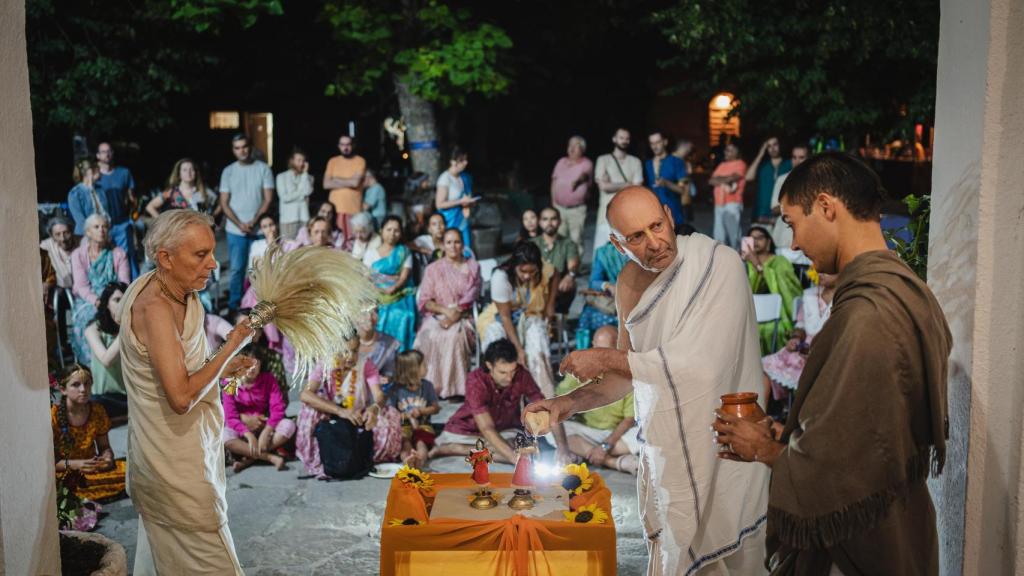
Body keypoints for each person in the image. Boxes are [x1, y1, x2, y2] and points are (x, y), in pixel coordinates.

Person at [712, 152, 952, 575]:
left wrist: (767, 450)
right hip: (900, 519)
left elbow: (846, 468)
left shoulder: (868, 313)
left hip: (861, 539)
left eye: (791, 223)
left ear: (826, 207)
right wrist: (793, 435)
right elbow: (871, 427)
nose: (794, 244)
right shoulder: (908, 291)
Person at [525, 186, 771, 575]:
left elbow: (702, 366)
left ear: (670, 217)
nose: (654, 242)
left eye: (657, 226)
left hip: (727, 450)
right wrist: (565, 404)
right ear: (617, 243)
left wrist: (605, 356)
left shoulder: (718, 264)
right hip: (666, 449)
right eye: (636, 237)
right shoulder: (627, 284)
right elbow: (628, 374)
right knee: (676, 552)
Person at [120, 209, 256, 574]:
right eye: (200, 255)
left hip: (186, 451)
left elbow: (179, 371)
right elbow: (180, 397)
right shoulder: (155, 308)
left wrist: (223, 367)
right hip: (172, 466)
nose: (213, 263)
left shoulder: (178, 290)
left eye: (212, 252)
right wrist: (232, 345)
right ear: (165, 257)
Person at [431, 339, 570, 464]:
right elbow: (486, 428)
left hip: (504, 429)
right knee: (517, 456)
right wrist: (514, 459)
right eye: (503, 372)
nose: (509, 378)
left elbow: (546, 409)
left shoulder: (522, 374)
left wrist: (563, 449)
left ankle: (473, 450)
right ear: (489, 365)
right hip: (467, 431)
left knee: (526, 450)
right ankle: (455, 448)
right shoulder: (476, 380)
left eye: (512, 371)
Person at [297, 335, 402, 477]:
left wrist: (374, 409)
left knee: (391, 415)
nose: (351, 357)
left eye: (354, 351)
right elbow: (305, 395)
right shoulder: (325, 363)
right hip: (331, 414)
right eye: (345, 352)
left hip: (359, 414)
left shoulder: (366, 363)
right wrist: (341, 411)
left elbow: (379, 396)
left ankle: (366, 458)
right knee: (308, 411)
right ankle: (319, 459)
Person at [476, 242, 557, 398]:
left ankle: (542, 397)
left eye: (532, 272)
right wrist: (519, 349)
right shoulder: (501, 277)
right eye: (523, 271)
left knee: (537, 339)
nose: (527, 276)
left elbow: (555, 274)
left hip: (528, 314)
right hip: (499, 318)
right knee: (498, 344)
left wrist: (550, 304)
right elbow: (505, 317)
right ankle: (499, 396)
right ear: (515, 266)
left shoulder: (543, 269)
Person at [555, 326, 639, 474]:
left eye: (606, 353)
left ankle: (588, 454)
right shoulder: (581, 366)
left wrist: (606, 445)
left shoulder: (627, 372)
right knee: (553, 428)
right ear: (592, 346)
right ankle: (613, 462)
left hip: (615, 435)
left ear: (616, 350)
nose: (600, 356)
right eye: (597, 350)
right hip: (587, 431)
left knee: (647, 433)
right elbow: (558, 399)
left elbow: (629, 419)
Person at [414, 228, 481, 399]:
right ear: (443, 246)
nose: (453, 246)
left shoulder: (472, 267)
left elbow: (472, 294)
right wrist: (444, 312)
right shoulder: (433, 269)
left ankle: (453, 389)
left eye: (457, 242)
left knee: (453, 337)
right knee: (428, 336)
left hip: (463, 315)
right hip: (437, 314)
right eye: (449, 242)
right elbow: (425, 300)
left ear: (463, 244)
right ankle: (427, 387)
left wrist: (454, 317)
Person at [761, 272, 836, 414]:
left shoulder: (844, 297)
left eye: (829, 271)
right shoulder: (810, 295)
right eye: (820, 271)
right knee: (764, 366)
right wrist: (795, 338)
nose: (822, 274)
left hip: (826, 352)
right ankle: (760, 419)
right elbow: (800, 326)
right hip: (802, 350)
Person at [51, 364, 126, 501]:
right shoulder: (53, 416)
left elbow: (104, 446)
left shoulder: (97, 410)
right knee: (60, 485)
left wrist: (107, 458)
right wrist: (77, 464)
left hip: (91, 469)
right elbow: (50, 463)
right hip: (65, 471)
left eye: (87, 384)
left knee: (130, 472)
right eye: (76, 385)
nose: (83, 390)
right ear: (63, 390)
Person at [219, 133, 275, 313]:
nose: (241, 150)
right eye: (237, 148)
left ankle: (259, 304)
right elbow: (224, 203)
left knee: (260, 268)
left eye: (244, 146)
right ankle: (235, 306)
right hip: (235, 230)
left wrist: (253, 221)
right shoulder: (228, 171)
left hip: (258, 228)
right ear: (233, 150)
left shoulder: (263, 169)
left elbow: (268, 199)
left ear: (250, 147)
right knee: (237, 269)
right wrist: (240, 223)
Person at [221, 348, 295, 473]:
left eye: (255, 364)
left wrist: (267, 431)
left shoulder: (268, 379)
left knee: (289, 425)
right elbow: (230, 417)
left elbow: (277, 408)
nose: (251, 368)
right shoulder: (230, 382)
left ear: (261, 365)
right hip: (241, 429)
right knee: (224, 437)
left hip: (264, 425)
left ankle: (249, 459)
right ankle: (269, 457)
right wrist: (248, 434)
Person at [71, 213, 131, 365]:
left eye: (104, 227)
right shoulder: (78, 255)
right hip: (89, 300)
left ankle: (120, 360)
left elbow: (124, 282)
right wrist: (96, 300)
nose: (101, 230)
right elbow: (81, 285)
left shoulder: (118, 253)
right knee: (87, 319)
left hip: (113, 296)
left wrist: (110, 299)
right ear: (88, 232)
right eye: (96, 227)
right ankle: (92, 363)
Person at [743, 225, 803, 354]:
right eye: (751, 238)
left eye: (759, 238)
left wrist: (758, 265)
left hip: (778, 318)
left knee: (774, 330)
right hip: (751, 317)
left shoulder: (780, 261)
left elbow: (788, 289)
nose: (755, 241)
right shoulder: (745, 265)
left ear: (769, 241)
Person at [364, 215, 417, 351]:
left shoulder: (404, 252)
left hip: (399, 295)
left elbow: (403, 277)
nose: (392, 234)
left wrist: (393, 287)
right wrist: (382, 288)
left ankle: (401, 355)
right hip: (376, 295)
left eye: (396, 230)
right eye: (389, 229)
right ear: (381, 230)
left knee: (403, 316)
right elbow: (367, 279)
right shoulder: (370, 253)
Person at [388, 350, 441, 469]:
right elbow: (391, 412)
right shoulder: (396, 390)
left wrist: (421, 411)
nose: (427, 366)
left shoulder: (427, 386)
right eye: (423, 365)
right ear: (412, 370)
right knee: (405, 442)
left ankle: (420, 461)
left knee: (421, 442)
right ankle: (408, 461)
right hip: (402, 426)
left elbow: (436, 408)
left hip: (423, 425)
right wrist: (408, 416)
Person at [84, 281, 129, 421]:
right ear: (107, 304)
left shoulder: (135, 328)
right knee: (92, 405)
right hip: (104, 397)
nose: (121, 305)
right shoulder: (92, 329)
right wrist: (126, 327)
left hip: (130, 396)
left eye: (125, 300)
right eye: (117, 300)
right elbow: (106, 360)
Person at [593, 128, 643, 250]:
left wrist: (612, 184)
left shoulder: (635, 161)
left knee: (627, 256)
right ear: (614, 139)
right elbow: (603, 186)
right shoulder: (603, 159)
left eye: (627, 138)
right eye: (621, 137)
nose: (624, 141)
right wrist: (627, 184)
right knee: (601, 254)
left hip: (628, 215)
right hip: (605, 215)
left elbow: (637, 188)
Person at [95, 142, 139, 278]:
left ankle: (135, 288)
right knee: (105, 256)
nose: (106, 154)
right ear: (98, 155)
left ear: (112, 153)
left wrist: (134, 217)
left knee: (128, 256)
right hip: (102, 225)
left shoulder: (124, 173)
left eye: (109, 151)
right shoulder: (94, 177)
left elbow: (133, 198)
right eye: (103, 151)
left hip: (122, 222)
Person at [532, 207, 580, 313]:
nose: (549, 223)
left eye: (553, 219)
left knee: (571, 284)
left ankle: (560, 317)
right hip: (536, 286)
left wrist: (570, 276)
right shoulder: (532, 243)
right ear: (540, 222)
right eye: (545, 219)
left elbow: (573, 265)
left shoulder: (568, 243)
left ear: (559, 222)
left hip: (558, 287)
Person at [550, 135, 593, 248]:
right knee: (558, 238)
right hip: (559, 208)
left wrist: (577, 181)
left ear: (582, 149)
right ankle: (561, 265)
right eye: (570, 145)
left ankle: (576, 265)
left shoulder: (586, 163)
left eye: (576, 146)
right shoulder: (561, 162)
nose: (572, 148)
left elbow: (585, 176)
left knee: (576, 240)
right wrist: (553, 202)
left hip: (576, 210)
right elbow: (554, 182)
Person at [577, 240, 628, 332]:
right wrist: (607, 286)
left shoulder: (641, 249)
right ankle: (594, 344)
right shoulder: (605, 252)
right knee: (588, 315)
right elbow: (594, 282)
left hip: (639, 299)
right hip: (612, 301)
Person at [323, 134, 366, 238]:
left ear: (353, 145)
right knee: (335, 241)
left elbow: (355, 183)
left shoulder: (360, 161)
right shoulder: (332, 161)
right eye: (342, 145)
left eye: (348, 144)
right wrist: (349, 181)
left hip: (353, 209)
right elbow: (326, 184)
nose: (345, 147)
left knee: (352, 241)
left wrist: (336, 179)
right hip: (334, 210)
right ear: (339, 146)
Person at [770, 144, 810, 254]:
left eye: (801, 157)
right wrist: (793, 201)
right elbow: (774, 210)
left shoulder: (816, 181)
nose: (797, 161)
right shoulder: (782, 179)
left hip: (809, 243)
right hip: (783, 242)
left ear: (809, 158)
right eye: (794, 157)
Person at [434, 146, 477, 249]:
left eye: (466, 160)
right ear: (453, 162)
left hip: (463, 219)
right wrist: (460, 201)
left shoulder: (464, 177)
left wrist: (470, 202)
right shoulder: (445, 179)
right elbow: (439, 204)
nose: (466, 163)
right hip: (450, 222)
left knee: (465, 248)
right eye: (462, 160)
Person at [709, 141, 748, 250]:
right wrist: (725, 180)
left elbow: (733, 178)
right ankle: (722, 263)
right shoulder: (722, 165)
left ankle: (739, 262)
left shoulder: (740, 164)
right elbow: (711, 181)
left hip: (733, 203)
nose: (726, 152)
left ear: (737, 152)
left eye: (730, 150)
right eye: (726, 150)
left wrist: (719, 179)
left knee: (734, 237)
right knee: (719, 237)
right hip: (719, 204)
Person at [146, 158, 217, 217]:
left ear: (195, 172)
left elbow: (219, 202)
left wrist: (211, 218)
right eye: (184, 170)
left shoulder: (202, 191)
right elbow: (150, 207)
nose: (188, 172)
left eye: (191, 169)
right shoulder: (171, 192)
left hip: (197, 232)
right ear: (179, 174)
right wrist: (163, 224)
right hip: (176, 233)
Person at [644, 131, 687, 226]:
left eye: (658, 142)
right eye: (652, 143)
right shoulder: (647, 164)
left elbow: (682, 190)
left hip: (674, 215)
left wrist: (667, 183)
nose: (655, 146)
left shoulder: (677, 162)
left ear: (665, 142)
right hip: (653, 217)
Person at [746, 137, 792, 223]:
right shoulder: (763, 166)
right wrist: (761, 153)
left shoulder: (789, 164)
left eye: (775, 144)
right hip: (762, 216)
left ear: (780, 145)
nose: (772, 148)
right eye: (769, 146)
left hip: (782, 215)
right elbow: (748, 177)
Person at [67, 158, 113, 238]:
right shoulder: (75, 193)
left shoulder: (100, 189)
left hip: (104, 234)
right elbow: (80, 221)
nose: (100, 172)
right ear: (90, 171)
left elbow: (106, 213)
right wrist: (93, 235)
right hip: (85, 236)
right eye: (98, 169)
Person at [276, 148, 313, 241]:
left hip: (304, 218)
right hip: (288, 220)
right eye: (299, 160)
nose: (301, 163)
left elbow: (308, 191)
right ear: (292, 161)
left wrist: (305, 174)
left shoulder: (309, 177)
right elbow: (285, 197)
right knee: (288, 249)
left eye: (303, 161)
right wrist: (302, 195)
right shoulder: (281, 177)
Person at [358, 307, 401, 380]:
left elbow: (389, 373)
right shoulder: (344, 341)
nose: (369, 318)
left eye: (374, 313)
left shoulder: (389, 343)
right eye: (364, 313)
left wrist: (382, 379)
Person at [40, 215, 75, 290]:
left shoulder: (83, 243)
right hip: (60, 294)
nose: (63, 239)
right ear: (51, 236)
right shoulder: (46, 245)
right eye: (57, 234)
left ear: (72, 231)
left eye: (66, 233)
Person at [672, 139, 697, 223]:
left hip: (685, 198)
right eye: (688, 149)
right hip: (678, 199)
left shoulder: (682, 160)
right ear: (682, 147)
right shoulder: (672, 160)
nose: (689, 152)